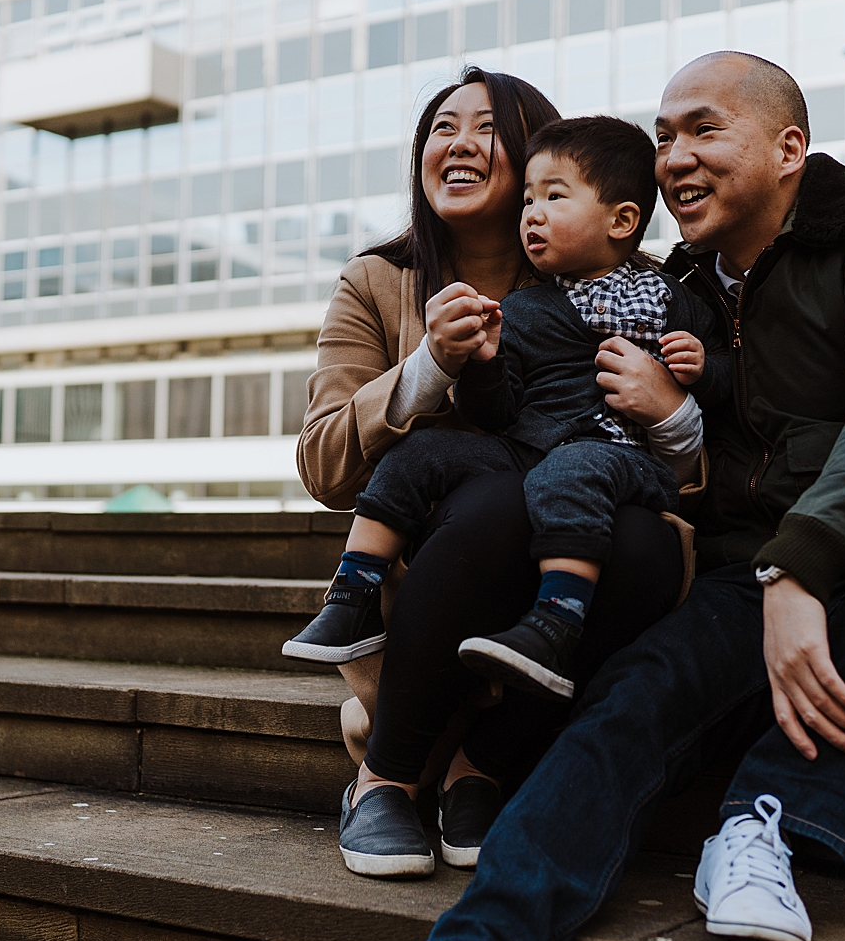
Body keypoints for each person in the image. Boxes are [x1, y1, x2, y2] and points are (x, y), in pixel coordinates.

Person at [327, 51, 845, 941]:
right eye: (662, 137)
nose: (675, 158)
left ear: (789, 148)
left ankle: (767, 821)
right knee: (618, 715)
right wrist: (665, 419)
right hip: (738, 591)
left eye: (705, 129)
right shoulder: (667, 293)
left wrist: (803, 570)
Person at [297, 70, 713, 879]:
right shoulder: (378, 282)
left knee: (644, 541)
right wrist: (428, 368)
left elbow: (701, 471)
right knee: (493, 502)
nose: (455, 143)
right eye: (439, 127)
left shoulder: (618, 284)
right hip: (437, 571)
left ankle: (477, 768)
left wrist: (669, 410)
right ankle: (384, 776)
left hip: (572, 559)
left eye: (484, 128)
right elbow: (323, 464)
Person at [285, 116, 728, 705]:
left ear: (620, 220)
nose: (533, 214)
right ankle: (351, 596)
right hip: (523, 453)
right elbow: (495, 411)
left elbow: (725, 385)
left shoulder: (672, 293)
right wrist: (475, 365)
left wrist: (695, 378)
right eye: (529, 200)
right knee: (425, 451)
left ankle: (555, 622)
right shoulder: (520, 306)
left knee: (569, 474)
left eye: (552, 196)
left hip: (620, 457)